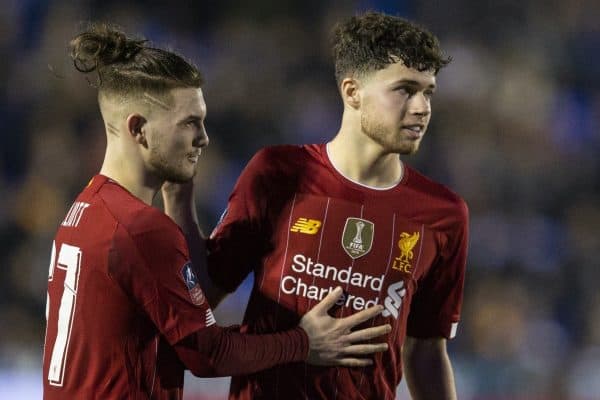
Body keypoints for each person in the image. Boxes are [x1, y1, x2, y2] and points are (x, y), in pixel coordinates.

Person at [42, 24, 392, 400]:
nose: (204, 138)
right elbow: (208, 353)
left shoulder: (86, 210)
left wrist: (178, 201)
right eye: (190, 123)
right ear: (139, 129)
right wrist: (302, 342)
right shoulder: (140, 229)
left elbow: (173, 311)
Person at [164, 11, 469, 400]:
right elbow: (206, 293)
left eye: (428, 92)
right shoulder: (278, 173)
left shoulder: (443, 215)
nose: (422, 107)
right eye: (406, 90)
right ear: (352, 91)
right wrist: (179, 199)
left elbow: (426, 350)